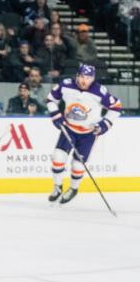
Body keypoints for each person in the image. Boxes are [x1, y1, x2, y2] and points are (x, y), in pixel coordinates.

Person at [46, 64, 122, 204]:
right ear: (77, 76)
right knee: (57, 157)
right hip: (68, 128)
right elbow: (51, 99)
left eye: (88, 78)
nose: (84, 80)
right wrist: (56, 116)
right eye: (81, 76)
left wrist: (104, 124)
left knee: (78, 165)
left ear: (92, 78)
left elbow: (116, 107)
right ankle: (57, 187)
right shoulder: (66, 85)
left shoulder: (100, 91)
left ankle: (73, 189)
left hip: (88, 133)